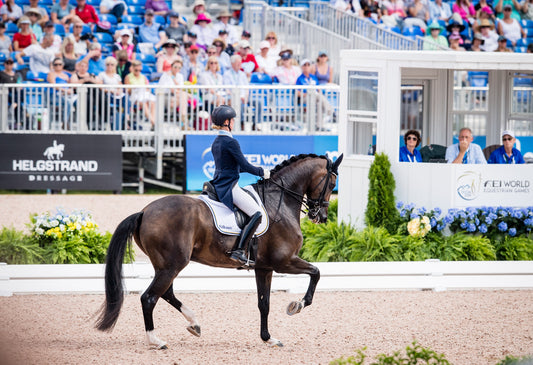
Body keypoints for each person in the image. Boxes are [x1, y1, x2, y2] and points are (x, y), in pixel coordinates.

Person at [210, 104, 269, 266]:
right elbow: (245, 165)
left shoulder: (216, 141)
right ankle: (239, 251)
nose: (234, 122)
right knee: (257, 213)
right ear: (227, 122)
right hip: (229, 187)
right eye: (233, 120)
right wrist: (262, 172)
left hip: (219, 183)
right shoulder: (231, 142)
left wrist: (256, 171)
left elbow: (231, 168)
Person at [124, 59, 156, 127]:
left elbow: (147, 88)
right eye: (136, 70)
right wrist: (134, 88)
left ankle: (152, 123)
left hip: (143, 94)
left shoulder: (143, 77)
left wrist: (144, 89)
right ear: (132, 68)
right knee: (143, 103)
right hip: (134, 96)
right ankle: (153, 122)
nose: (138, 72)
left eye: (140, 70)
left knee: (152, 103)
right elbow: (127, 90)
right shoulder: (128, 77)